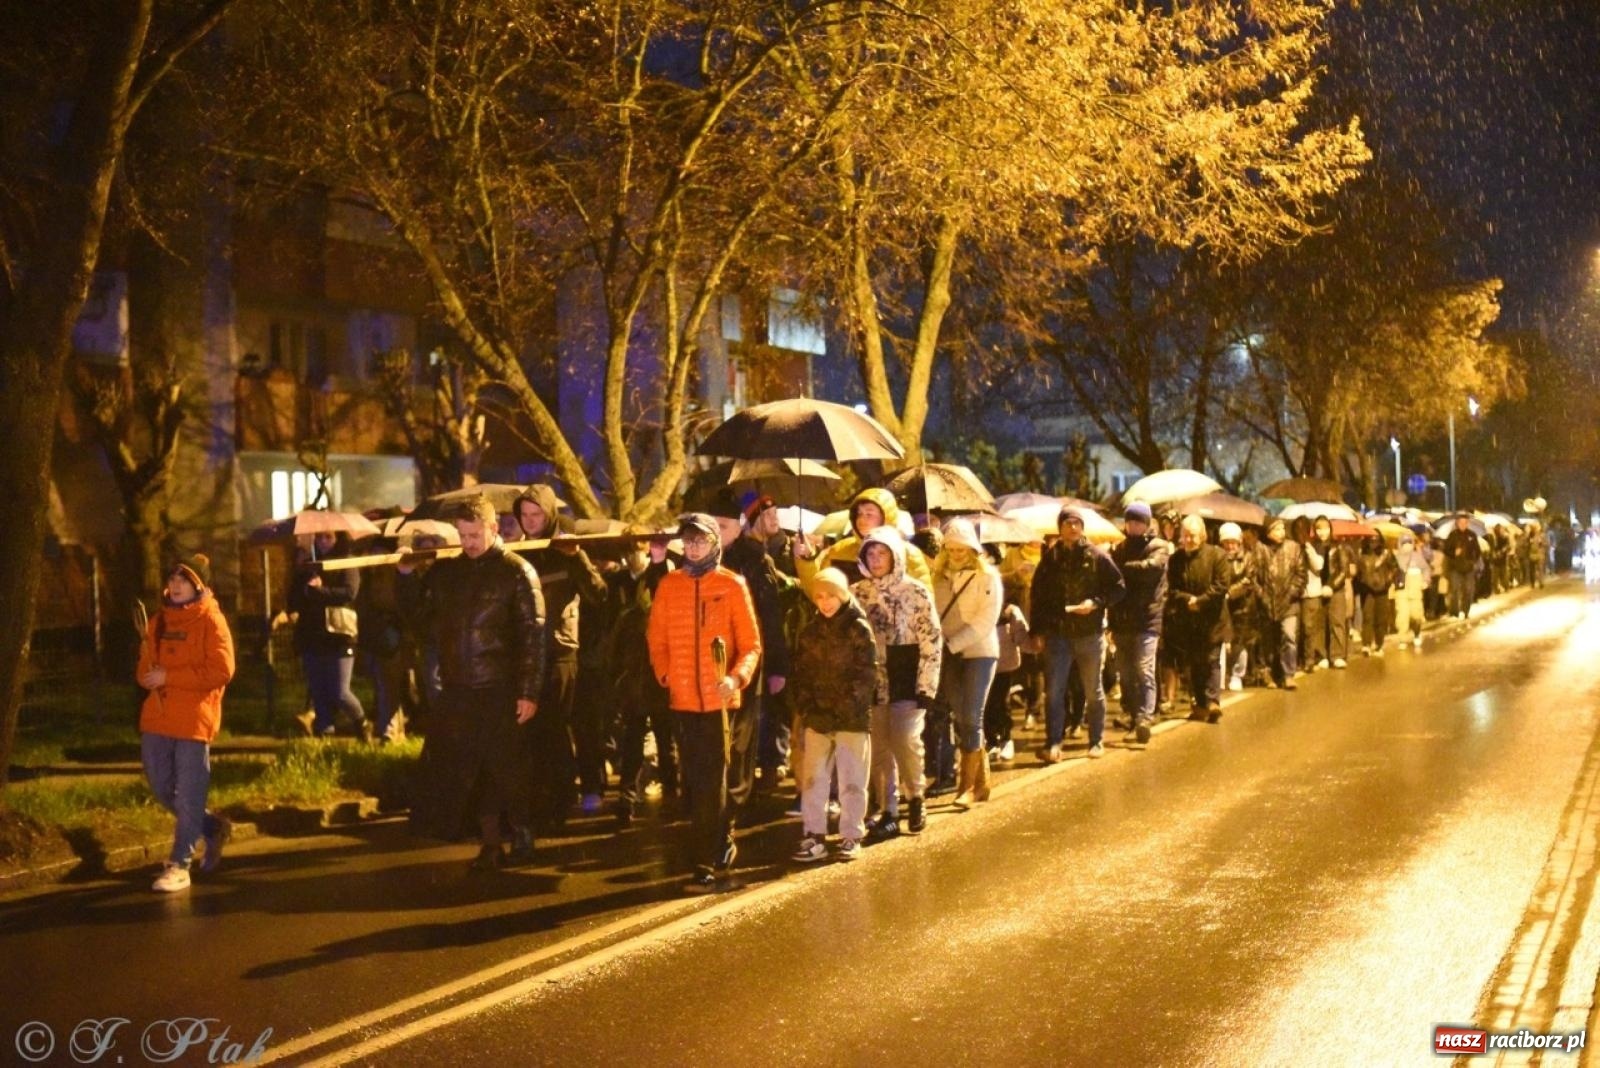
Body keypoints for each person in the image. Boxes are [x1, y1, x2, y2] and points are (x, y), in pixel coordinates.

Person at [401, 495, 546, 869]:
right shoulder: (448, 574)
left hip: (501, 687)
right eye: (463, 535)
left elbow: (533, 636)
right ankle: (491, 842)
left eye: (474, 533)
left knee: (508, 768)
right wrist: (406, 578)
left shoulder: (517, 572)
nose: (468, 542)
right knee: (471, 770)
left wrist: (528, 691)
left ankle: (524, 831)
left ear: (493, 528)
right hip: (460, 689)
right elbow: (419, 620)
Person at [647, 513, 762, 893]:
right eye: (689, 541)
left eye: (701, 540)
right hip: (682, 700)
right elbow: (656, 639)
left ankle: (705, 858)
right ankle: (717, 838)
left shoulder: (731, 585)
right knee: (695, 781)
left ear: (714, 543)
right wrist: (666, 675)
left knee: (714, 779)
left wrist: (735, 678)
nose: (694, 547)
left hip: (720, 701)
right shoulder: (669, 585)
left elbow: (750, 645)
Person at [138, 554, 236, 892]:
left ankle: (180, 864)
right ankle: (212, 827)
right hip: (157, 718)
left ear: (200, 586)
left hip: (194, 719)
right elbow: (143, 670)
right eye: (173, 578)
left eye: (185, 579)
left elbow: (222, 671)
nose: (176, 584)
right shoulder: (158, 621)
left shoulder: (212, 620)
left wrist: (170, 676)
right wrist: (149, 676)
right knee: (162, 787)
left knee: (190, 794)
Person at [513, 484, 607, 826]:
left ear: (550, 514)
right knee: (541, 731)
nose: (530, 521)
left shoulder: (566, 550)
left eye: (536, 514)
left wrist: (576, 557)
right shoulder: (520, 554)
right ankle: (552, 797)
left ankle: (578, 790)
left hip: (563, 650)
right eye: (524, 515)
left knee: (565, 726)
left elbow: (599, 594)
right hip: (530, 653)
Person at [853, 528, 942, 838]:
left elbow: (931, 639)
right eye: (871, 554)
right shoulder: (857, 593)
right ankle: (887, 808)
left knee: (905, 739)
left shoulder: (916, 591)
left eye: (883, 553)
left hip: (907, 674)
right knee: (878, 747)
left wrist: (927, 686)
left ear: (895, 556)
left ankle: (915, 796)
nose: (876, 560)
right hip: (874, 679)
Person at [788, 568, 879, 863]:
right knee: (814, 779)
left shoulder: (858, 628)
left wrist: (845, 707)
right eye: (820, 596)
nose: (825, 602)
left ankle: (851, 833)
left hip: (851, 718)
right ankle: (813, 833)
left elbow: (865, 675)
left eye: (831, 596)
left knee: (853, 778)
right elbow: (801, 673)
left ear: (842, 595)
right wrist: (808, 707)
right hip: (818, 717)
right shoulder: (811, 631)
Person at [716, 498, 793, 816]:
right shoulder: (713, 559)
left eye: (722, 526)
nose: (715, 533)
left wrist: (777, 665)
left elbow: (771, 615)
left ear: (737, 527)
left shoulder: (757, 559)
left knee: (749, 725)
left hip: (752, 653)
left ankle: (745, 790)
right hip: (721, 655)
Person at [1031, 506, 1125, 760]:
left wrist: (1095, 603)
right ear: (1060, 527)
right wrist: (1037, 630)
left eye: (1077, 523)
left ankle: (1096, 740)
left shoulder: (1097, 556)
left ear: (1082, 527)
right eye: (1067, 523)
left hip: (1089, 633)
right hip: (1058, 634)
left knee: (1093, 690)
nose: (1072, 527)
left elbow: (1118, 588)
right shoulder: (1050, 558)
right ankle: (1053, 743)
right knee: (1054, 691)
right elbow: (1037, 595)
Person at [932, 518, 1004, 810]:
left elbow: (986, 620)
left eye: (961, 548)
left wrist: (953, 644)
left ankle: (968, 785)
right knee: (960, 715)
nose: (956, 553)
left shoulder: (987, 578)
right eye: (950, 548)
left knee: (973, 715)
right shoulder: (936, 577)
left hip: (980, 652)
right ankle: (982, 781)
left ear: (972, 548)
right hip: (947, 654)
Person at [289, 531, 369, 738]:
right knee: (319, 691)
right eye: (320, 537)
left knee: (339, 691)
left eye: (328, 537)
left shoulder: (346, 562)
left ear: (337, 538)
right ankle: (325, 734)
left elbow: (349, 593)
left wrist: (320, 590)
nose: (323, 542)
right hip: (313, 635)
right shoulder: (309, 565)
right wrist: (305, 583)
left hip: (339, 635)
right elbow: (294, 598)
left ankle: (361, 721)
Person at [1109, 501, 1170, 746]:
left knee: (1144, 669)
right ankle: (1133, 716)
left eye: (1139, 521)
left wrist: (1123, 569)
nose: (1134, 525)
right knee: (1126, 673)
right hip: (1123, 620)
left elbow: (1150, 569)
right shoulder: (1120, 548)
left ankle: (1144, 718)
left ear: (1146, 523)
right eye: (1130, 521)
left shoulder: (1159, 547)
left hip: (1147, 618)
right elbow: (1110, 578)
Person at [798, 487, 933, 589]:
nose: (861, 520)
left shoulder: (909, 554)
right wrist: (806, 562)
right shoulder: (840, 551)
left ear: (886, 516)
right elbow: (821, 594)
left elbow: (924, 607)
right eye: (859, 514)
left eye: (869, 514)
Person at [1165, 515, 1231, 722]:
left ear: (1202, 535)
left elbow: (1221, 586)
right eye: (1185, 536)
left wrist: (1201, 601)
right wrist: (1188, 600)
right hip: (1189, 620)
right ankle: (1200, 703)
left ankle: (1213, 702)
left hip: (1213, 618)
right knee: (1194, 663)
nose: (1189, 540)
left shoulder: (1217, 555)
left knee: (1211, 660)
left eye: (1192, 536)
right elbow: (1172, 589)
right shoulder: (1175, 560)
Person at [1258, 517, 1307, 689]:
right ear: (1268, 532)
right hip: (1267, 602)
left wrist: (1291, 593)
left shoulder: (1293, 548)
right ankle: (1270, 673)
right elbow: (1254, 577)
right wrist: (1262, 595)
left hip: (1289, 602)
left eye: (1282, 529)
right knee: (1269, 642)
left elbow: (1301, 575)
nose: (1281, 533)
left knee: (1289, 635)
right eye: (1277, 529)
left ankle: (1288, 674)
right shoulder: (1260, 549)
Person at [1302, 516, 1353, 669]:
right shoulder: (1312, 546)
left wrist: (1331, 586)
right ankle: (1321, 654)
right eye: (1318, 528)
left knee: (1337, 622)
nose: (1322, 532)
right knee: (1320, 624)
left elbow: (1343, 570)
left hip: (1335, 590)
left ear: (1330, 529)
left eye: (1325, 528)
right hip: (1317, 588)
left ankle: (1337, 655)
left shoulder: (1338, 546)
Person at [1218, 522, 1263, 692]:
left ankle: (1238, 674)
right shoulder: (1218, 557)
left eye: (1233, 542)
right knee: (1222, 641)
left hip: (1243, 607)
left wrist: (1229, 593)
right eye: (1226, 542)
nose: (1230, 546)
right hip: (1222, 606)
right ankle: (1221, 675)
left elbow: (1248, 580)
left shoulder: (1248, 558)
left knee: (1240, 642)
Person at [1356, 533, 1400, 656]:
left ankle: (1379, 644)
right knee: (1367, 616)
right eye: (1371, 540)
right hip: (1367, 590)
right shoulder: (1362, 555)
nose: (1373, 542)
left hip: (1382, 589)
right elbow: (1359, 572)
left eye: (1376, 540)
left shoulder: (1386, 554)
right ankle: (1366, 644)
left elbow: (1394, 568)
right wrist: (1363, 581)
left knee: (1381, 618)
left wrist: (1388, 581)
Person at [1391, 531, 1429, 649]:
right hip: (1401, 590)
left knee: (1416, 614)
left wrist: (1425, 581)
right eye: (1404, 543)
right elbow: (1391, 572)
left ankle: (1417, 632)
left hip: (1415, 590)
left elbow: (1426, 569)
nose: (1406, 545)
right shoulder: (1395, 557)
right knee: (1402, 614)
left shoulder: (1417, 557)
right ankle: (1402, 638)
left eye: (1408, 542)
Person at [1442, 513, 1482, 618]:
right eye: (1461, 522)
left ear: (1467, 523)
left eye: (1465, 522)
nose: (1463, 524)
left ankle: (1466, 610)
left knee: (1468, 590)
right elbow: (1446, 550)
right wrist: (1454, 553)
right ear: (1457, 523)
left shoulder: (1472, 535)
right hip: (1455, 567)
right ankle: (1454, 611)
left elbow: (1477, 551)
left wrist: (1473, 561)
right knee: (1454, 590)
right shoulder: (1452, 535)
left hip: (1468, 567)